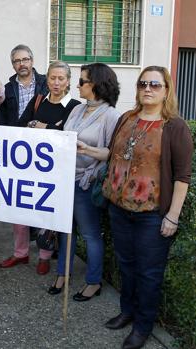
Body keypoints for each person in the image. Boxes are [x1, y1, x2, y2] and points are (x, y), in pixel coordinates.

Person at [102, 66, 193, 349]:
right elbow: (114, 154)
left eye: (155, 84)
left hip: (151, 216)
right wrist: (85, 149)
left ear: (166, 89)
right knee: (126, 266)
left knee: (149, 273)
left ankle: (143, 327)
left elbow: (182, 176)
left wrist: (173, 217)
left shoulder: (174, 127)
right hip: (119, 209)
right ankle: (127, 312)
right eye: (143, 83)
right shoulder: (127, 118)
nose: (148, 88)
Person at [0, 60, 81, 275]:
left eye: (60, 78)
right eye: (52, 78)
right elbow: (21, 125)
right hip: (28, 169)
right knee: (19, 214)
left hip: (54, 173)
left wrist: (42, 126)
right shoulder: (37, 101)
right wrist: (49, 127)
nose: (56, 82)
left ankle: (44, 255)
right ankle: (20, 253)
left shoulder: (75, 107)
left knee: (46, 215)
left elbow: (68, 134)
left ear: (68, 81)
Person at [48, 63, 121, 300]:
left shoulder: (111, 115)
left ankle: (93, 282)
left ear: (96, 85)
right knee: (64, 231)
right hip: (65, 180)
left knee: (90, 235)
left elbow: (112, 153)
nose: (76, 85)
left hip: (86, 183)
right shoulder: (77, 110)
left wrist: (87, 149)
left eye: (82, 81)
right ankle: (62, 274)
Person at [0, 44, 48, 127]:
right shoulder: (7, 89)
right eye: (17, 61)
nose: (21, 64)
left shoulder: (46, 83)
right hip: (16, 136)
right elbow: (3, 120)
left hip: (41, 134)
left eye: (25, 59)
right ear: (13, 65)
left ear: (32, 61)